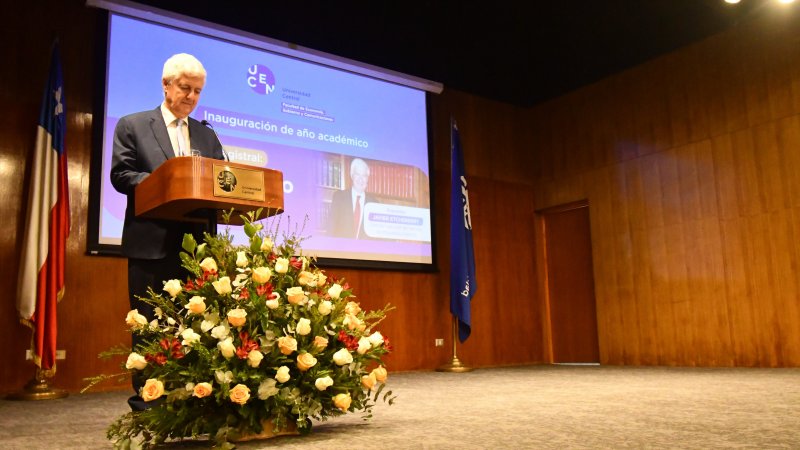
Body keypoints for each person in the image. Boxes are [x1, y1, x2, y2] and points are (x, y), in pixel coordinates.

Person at [110, 53, 224, 411]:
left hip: (197, 251)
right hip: (151, 245)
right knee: (149, 326)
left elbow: (221, 180)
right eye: (185, 88)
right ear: (166, 84)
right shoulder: (133, 125)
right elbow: (122, 175)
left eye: (198, 91)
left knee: (195, 328)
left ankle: (192, 399)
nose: (191, 96)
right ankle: (149, 402)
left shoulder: (206, 134)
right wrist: (166, 182)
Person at [329, 158, 376, 239]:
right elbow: (330, 228)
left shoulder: (374, 203)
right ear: (352, 175)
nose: (361, 179)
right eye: (357, 174)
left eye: (364, 175)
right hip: (341, 250)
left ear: (368, 178)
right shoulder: (339, 197)